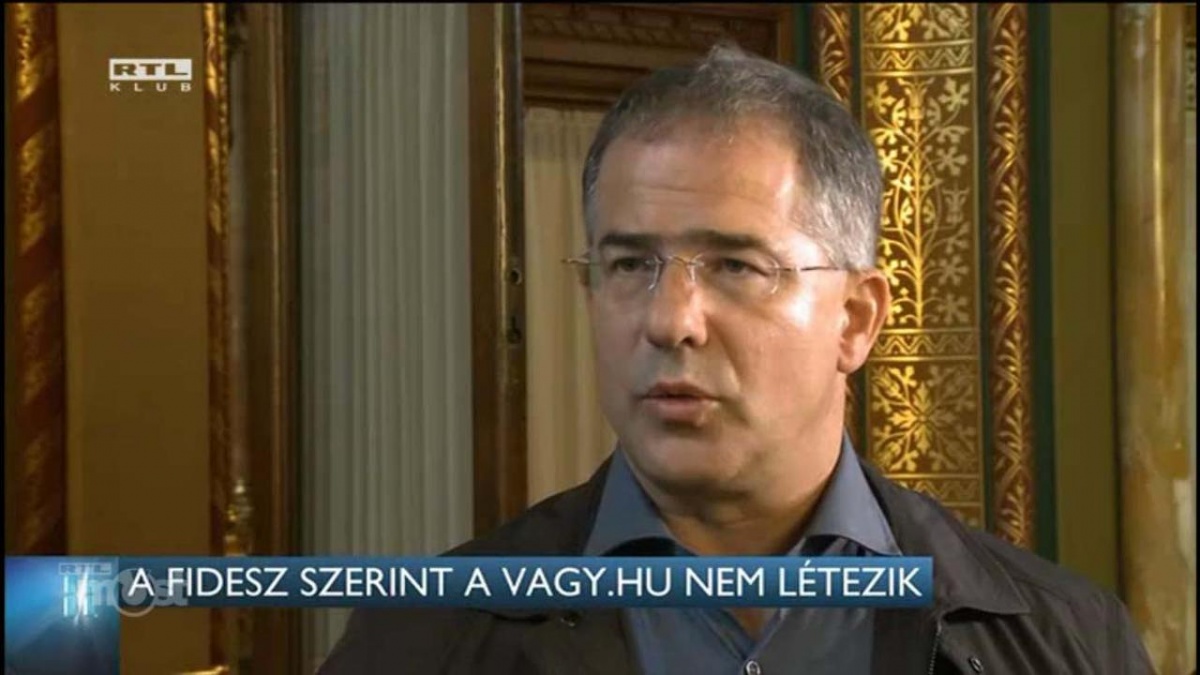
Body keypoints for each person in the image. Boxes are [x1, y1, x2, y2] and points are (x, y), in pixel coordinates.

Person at [321, 44, 1152, 674]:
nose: (670, 320)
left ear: (856, 319)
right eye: (630, 264)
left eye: (735, 266)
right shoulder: (420, 636)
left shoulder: (1065, 639)